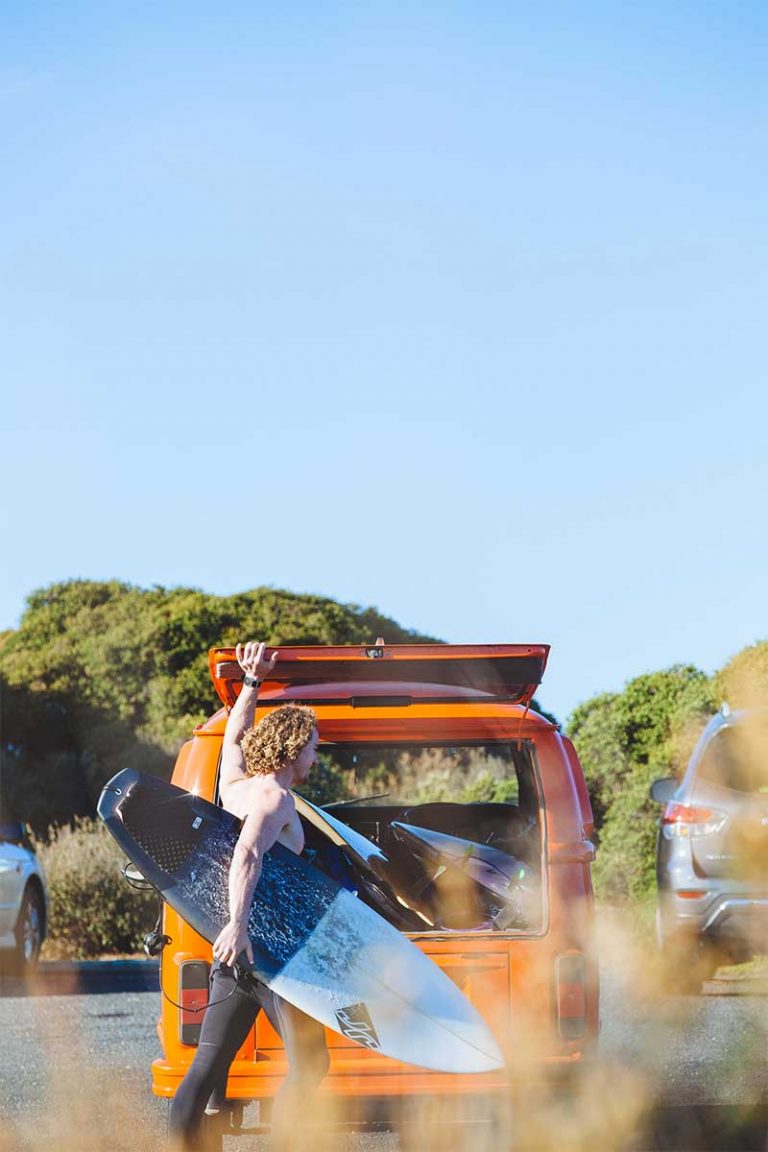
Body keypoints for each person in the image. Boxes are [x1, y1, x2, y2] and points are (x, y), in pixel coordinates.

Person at [169, 641, 329, 1152]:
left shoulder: (236, 784)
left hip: (235, 952)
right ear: (293, 748)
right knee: (312, 1064)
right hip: (269, 950)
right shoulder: (275, 798)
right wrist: (239, 926)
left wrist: (252, 683)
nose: (315, 758)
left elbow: (235, 736)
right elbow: (247, 855)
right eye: (313, 748)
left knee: (206, 1066)